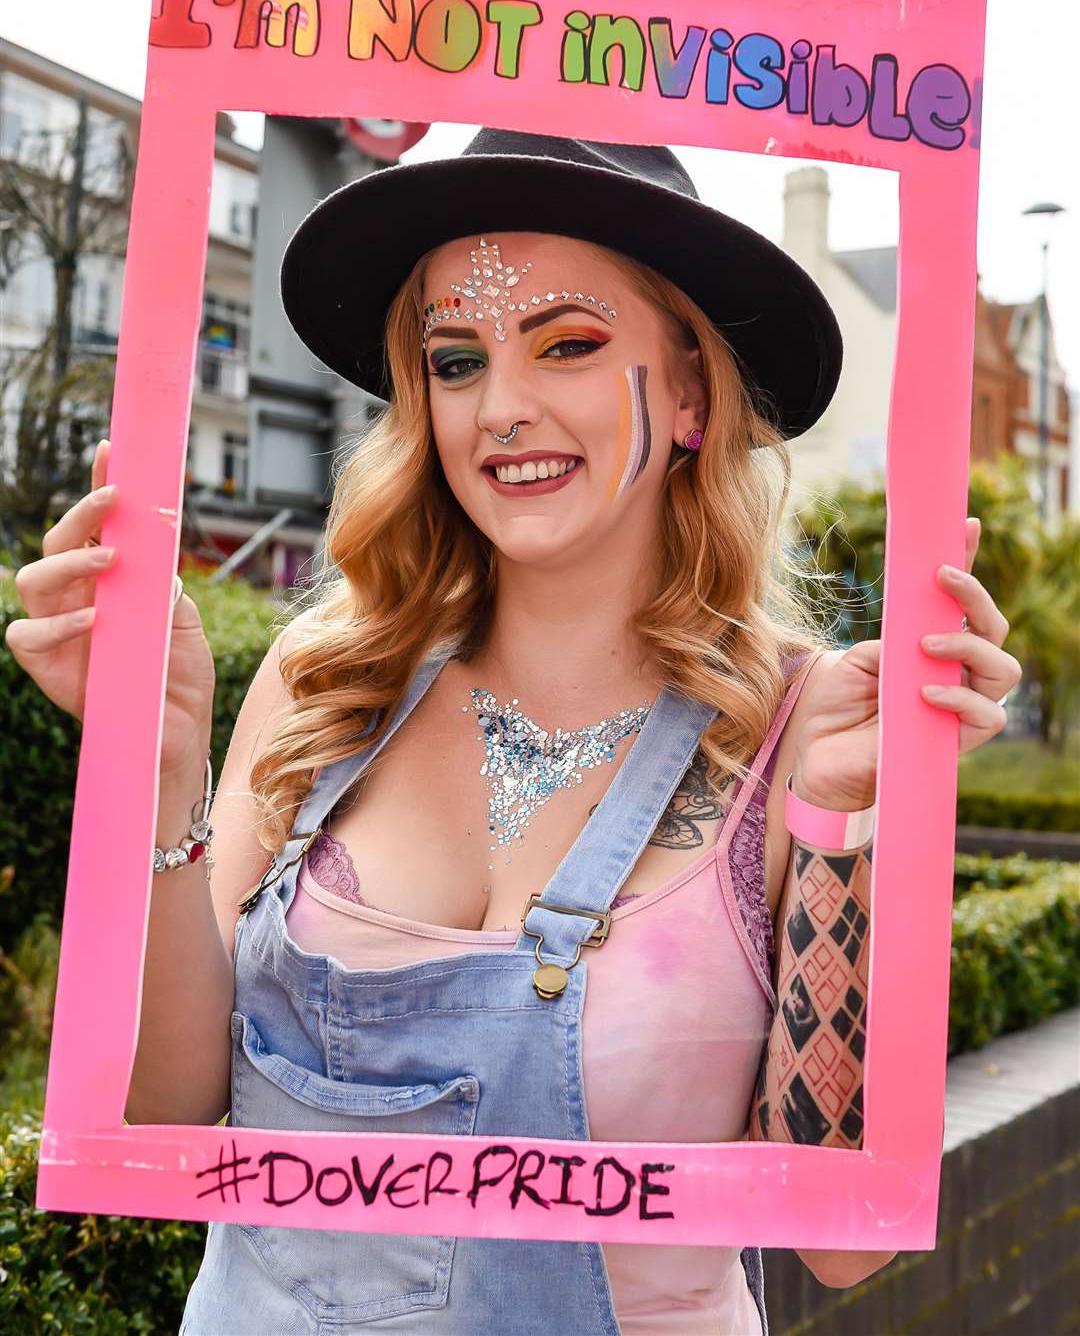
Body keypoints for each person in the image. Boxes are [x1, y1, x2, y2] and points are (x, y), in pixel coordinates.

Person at [8, 130, 1021, 1336]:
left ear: (693, 391)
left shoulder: (803, 731)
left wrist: (850, 830)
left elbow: (836, 1243)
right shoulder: (325, 679)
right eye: (455, 360)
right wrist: (152, 765)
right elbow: (162, 1109)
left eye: (570, 344)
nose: (502, 408)